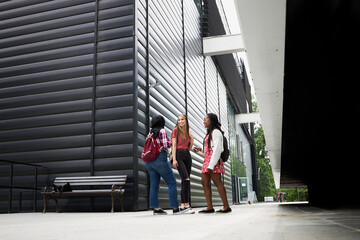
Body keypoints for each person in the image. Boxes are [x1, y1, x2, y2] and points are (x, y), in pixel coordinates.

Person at [145, 115, 189, 215]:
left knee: (154, 185)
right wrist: (170, 141)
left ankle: (156, 209)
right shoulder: (162, 131)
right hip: (159, 160)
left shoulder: (150, 133)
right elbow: (165, 145)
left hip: (149, 162)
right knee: (172, 182)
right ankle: (175, 208)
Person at [194, 113, 232, 213]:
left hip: (213, 162)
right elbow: (210, 148)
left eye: (205, 119)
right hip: (208, 161)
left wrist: (211, 165)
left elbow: (217, 150)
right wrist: (201, 150)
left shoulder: (216, 132)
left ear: (211, 120)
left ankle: (226, 206)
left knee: (217, 182)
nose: (204, 121)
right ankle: (209, 207)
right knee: (204, 183)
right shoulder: (210, 132)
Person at [172, 114, 195, 214]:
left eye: (182, 119)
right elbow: (173, 146)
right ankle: (186, 205)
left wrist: (192, 139)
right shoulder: (175, 130)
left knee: (185, 181)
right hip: (179, 155)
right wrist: (174, 160)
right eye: (179, 120)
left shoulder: (187, 132)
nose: (180, 121)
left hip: (187, 155)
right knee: (186, 179)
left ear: (186, 121)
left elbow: (189, 148)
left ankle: (183, 205)